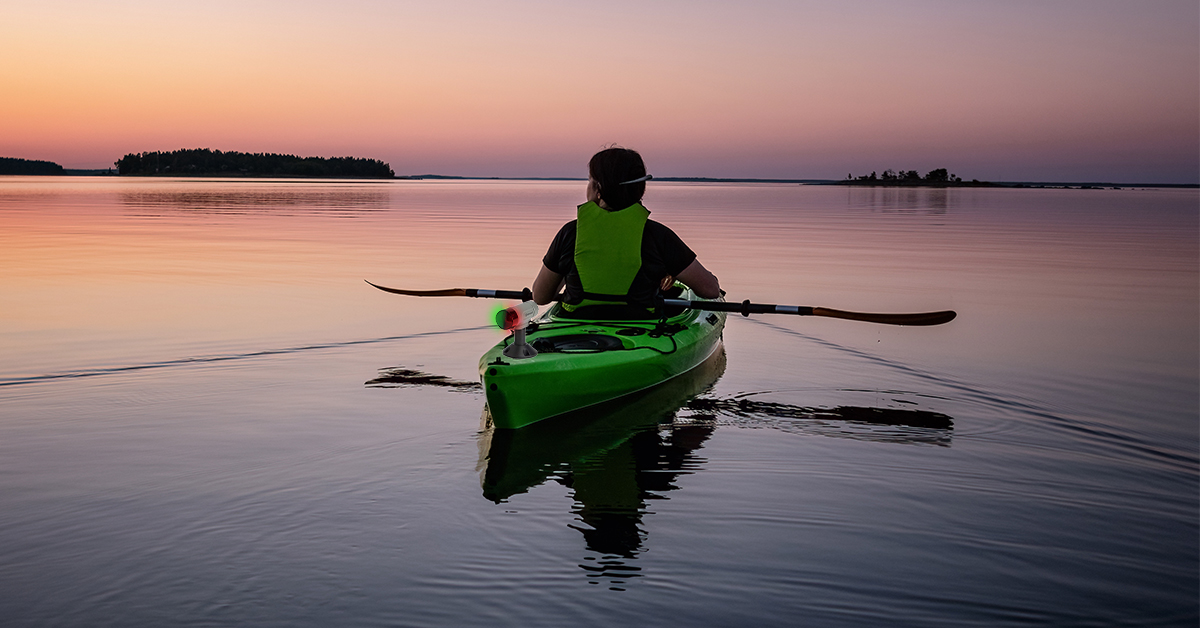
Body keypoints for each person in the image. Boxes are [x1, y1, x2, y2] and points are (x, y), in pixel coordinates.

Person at [532, 147, 719, 317]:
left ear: (598, 189)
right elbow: (710, 290)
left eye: (589, 180)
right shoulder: (657, 235)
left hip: (576, 323)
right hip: (640, 327)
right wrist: (673, 270)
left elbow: (540, 296)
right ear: (640, 189)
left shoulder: (570, 233)